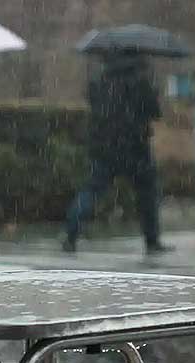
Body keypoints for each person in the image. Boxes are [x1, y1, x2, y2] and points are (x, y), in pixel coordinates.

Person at [64, 53, 170, 254]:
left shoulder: (100, 81)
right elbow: (155, 112)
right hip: (135, 147)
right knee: (147, 192)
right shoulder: (141, 82)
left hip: (104, 147)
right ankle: (152, 240)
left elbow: (92, 105)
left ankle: (71, 233)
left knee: (91, 190)